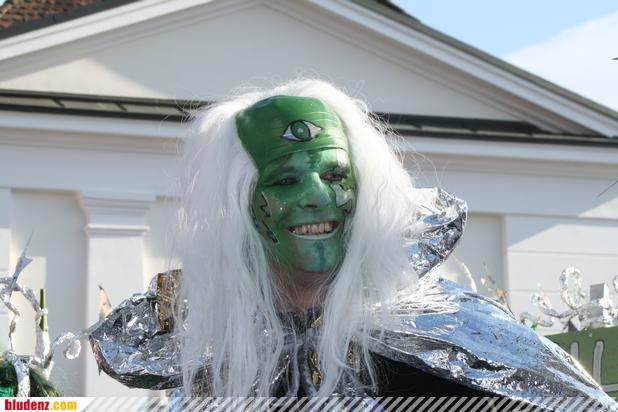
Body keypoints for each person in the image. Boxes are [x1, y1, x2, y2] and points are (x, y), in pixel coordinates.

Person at [90, 80, 616, 408]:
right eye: (285, 181)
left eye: (334, 175)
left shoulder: (448, 327)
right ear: (242, 208)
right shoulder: (216, 342)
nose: (317, 197)